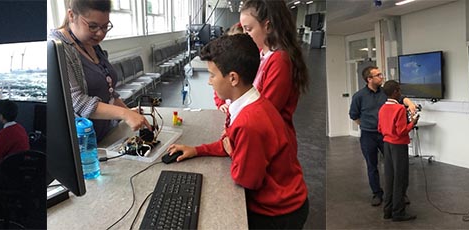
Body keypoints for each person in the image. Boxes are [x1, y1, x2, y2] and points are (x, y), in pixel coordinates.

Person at [168, 34, 308, 229]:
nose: (210, 82)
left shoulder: (248, 122)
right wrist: (198, 150)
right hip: (285, 201)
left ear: (233, 78)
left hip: (278, 214)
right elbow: (231, 142)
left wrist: (233, 152)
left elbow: (247, 179)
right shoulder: (252, 103)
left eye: (213, 75)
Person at [49, 0, 150, 140]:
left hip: (106, 135)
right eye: (93, 26)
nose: (100, 34)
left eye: (105, 26)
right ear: (71, 15)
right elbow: (77, 102)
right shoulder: (58, 47)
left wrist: (128, 111)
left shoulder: (91, 43)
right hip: (84, 144)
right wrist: (124, 114)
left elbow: (108, 90)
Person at [214, 0, 309, 132]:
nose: (245, 36)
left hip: (268, 142)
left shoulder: (279, 61)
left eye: (249, 30)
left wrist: (232, 133)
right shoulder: (259, 53)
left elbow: (264, 114)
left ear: (268, 27)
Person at [349, 66, 417, 206]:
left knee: (395, 165)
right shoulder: (359, 96)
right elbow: (354, 116)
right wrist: (366, 125)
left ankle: (400, 194)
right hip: (368, 135)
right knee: (372, 165)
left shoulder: (386, 93)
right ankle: (377, 194)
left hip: (385, 135)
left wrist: (410, 103)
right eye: (378, 75)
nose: (382, 77)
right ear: (369, 79)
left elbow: (401, 98)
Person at [378, 80, 418, 222]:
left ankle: (387, 210)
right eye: (399, 90)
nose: (400, 93)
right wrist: (413, 122)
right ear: (395, 92)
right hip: (398, 146)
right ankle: (398, 212)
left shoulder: (382, 108)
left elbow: (380, 129)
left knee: (389, 178)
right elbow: (401, 131)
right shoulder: (400, 109)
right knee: (400, 179)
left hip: (387, 144)